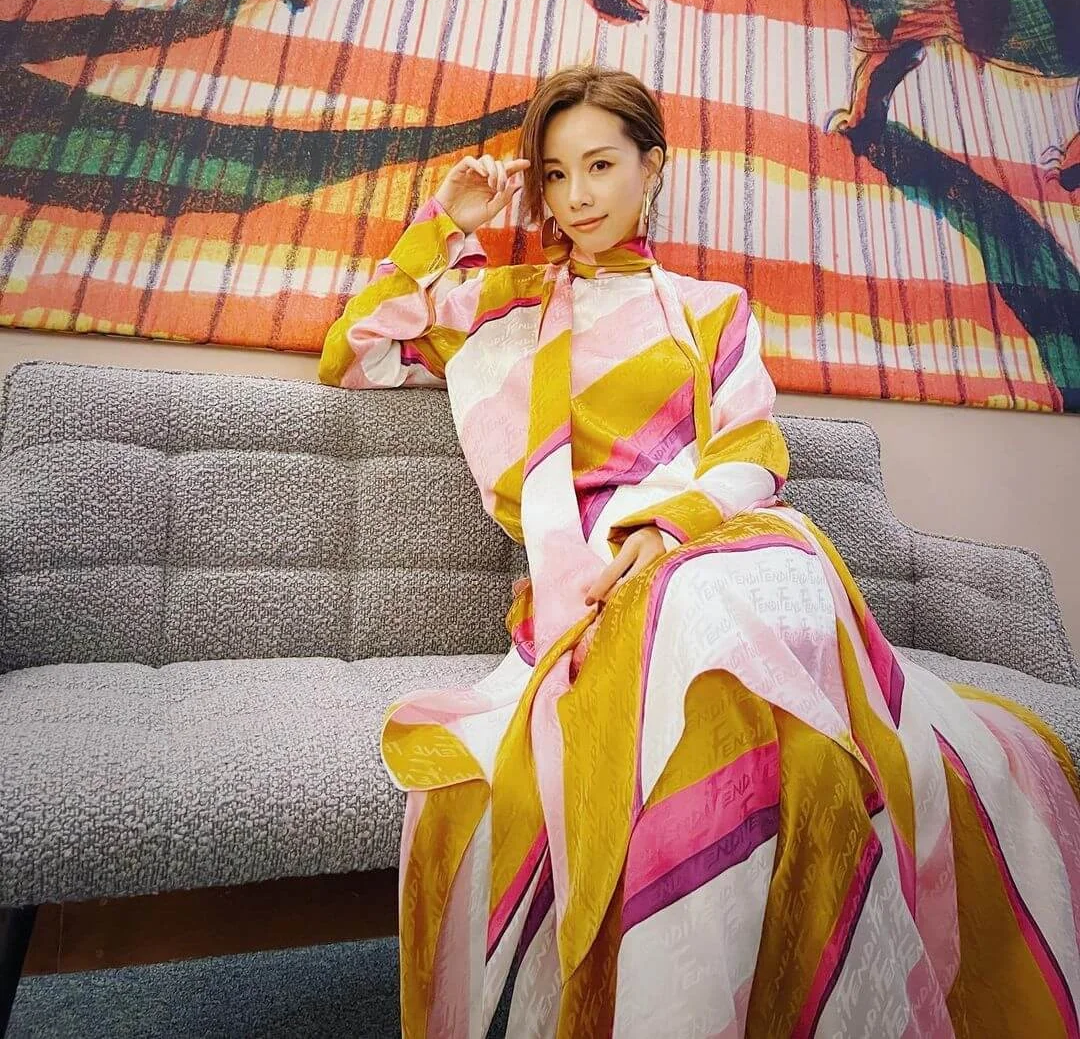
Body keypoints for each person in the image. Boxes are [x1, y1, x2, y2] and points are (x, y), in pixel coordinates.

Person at [318, 65, 1080, 1038]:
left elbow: (751, 453)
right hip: (595, 590)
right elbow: (354, 353)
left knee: (745, 612)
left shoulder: (711, 310)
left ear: (654, 167)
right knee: (786, 750)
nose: (577, 195)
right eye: (555, 174)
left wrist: (666, 527)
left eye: (601, 165)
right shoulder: (504, 306)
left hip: (718, 545)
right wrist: (447, 222)